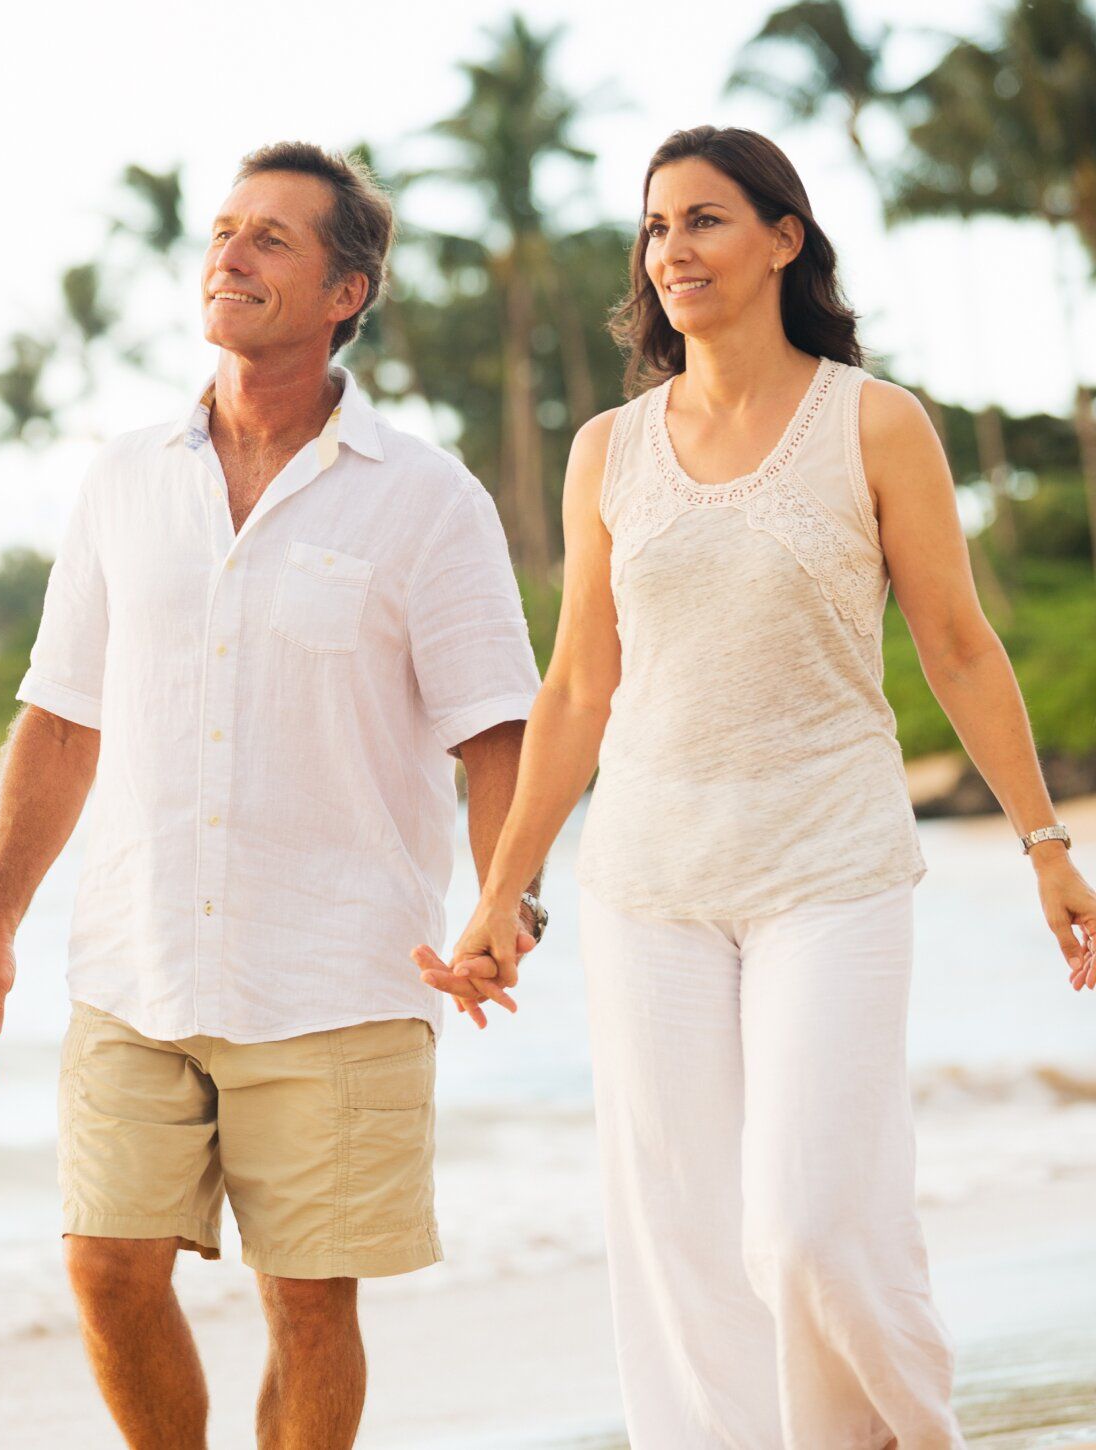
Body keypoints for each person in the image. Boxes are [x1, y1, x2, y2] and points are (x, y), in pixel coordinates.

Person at [413, 124, 1096, 1449]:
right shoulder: (608, 449)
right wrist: (503, 889)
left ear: (786, 239)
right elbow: (578, 687)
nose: (672, 249)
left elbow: (959, 645)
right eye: (655, 226)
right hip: (649, 882)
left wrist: (1045, 842)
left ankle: (905, 1434)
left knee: (807, 1226)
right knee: (683, 1244)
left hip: (831, 864)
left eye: (705, 219)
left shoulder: (875, 421)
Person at [0, 140, 546, 1450]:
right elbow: (60, 716)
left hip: (338, 970)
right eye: (224, 230)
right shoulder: (124, 477)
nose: (231, 252)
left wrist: (506, 900)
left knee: (310, 1307)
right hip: (136, 961)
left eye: (273, 237)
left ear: (346, 293)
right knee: (105, 1267)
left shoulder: (427, 499)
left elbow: (498, 731)